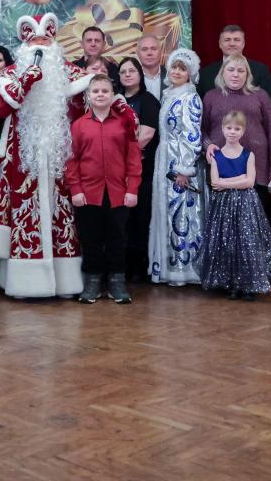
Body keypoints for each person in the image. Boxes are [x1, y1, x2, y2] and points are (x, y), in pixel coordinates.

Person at [0, 14, 131, 298]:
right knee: (24, 219)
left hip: (63, 162)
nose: (41, 47)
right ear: (24, 45)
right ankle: (25, 284)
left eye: (46, 41)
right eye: (34, 42)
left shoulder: (71, 73)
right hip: (24, 163)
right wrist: (24, 82)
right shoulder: (10, 74)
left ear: (55, 42)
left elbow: (99, 98)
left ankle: (65, 283)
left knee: (65, 222)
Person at [67, 75, 142, 304]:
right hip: (88, 193)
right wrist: (76, 189)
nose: (100, 95)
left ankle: (117, 283)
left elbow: (133, 158)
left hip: (119, 192)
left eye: (105, 91)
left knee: (117, 239)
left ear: (112, 95)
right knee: (90, 239)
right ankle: (92, 283)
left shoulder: (124, 123)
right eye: (96, 91)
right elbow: (72, 160)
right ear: (88, 96)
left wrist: (132, 189)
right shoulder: (78, 125)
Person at [202, 55, 271, 253]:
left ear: (247, 74)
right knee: (224, 227)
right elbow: (201, 130)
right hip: (222, 169)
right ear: (223, 72)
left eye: (241, 70)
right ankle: (226, 273)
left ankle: (253, 271)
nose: (236, 74)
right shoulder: (211, 97)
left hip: (256, 170)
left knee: (253, 226)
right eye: (231, 70)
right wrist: (208, 145)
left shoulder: (260, 96)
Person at [200, 110, 271, 300]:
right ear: (222, 129)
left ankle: (247, 284)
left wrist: (228, 182)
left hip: (246, 205)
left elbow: (250, 182)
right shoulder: (216, 156)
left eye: (237, 128)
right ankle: (231, 283)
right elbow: (215, 183)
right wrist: (239, 178)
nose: (232, 132)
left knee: (246, 244)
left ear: (243, 131)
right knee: (227, 243)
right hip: (223, 206)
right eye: (229, 128)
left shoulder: (248, 155)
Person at [149, 48, 205, 286]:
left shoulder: (190, 97)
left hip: (179, 162)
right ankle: (168, 265)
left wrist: (184, 168)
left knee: (180, 212)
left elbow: (192, 135)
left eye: (182, 69)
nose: (176, 72)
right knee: (166, 210)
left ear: (190, 73)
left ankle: (182, 269)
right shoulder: (169, 95)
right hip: (165, 158)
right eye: (174, 67)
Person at [118, 57, 160, 283]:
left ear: (140, 74)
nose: (127, 74)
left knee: (139, 218)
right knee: (120, 220)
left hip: (141, 170)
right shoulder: (114, 100)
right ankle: (120, 266)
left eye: (131, 70)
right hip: (115, 173)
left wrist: (117, 151)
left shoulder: (149, 101)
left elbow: (146, 136)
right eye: (123, 71)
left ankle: (138, 266)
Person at [198, 25, 271, 103]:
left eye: (237, 40)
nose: (232, 43)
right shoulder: (205, 73)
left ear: (243, 44)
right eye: (227, 40)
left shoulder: (260, 70)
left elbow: (269, 103)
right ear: (220, 44)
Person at [73, 26, 121, 92]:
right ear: (82, 44)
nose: (93, 44)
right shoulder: (72, 68)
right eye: (89, 40)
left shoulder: (113, 68)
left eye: (97, 41)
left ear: (104, 44)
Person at [136, 34, 165, 99]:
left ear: (161, 52)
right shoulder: (130, 78)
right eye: (144, 49)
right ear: (137, 53)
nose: (149, 53)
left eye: (154, 49)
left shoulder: (172, 76)